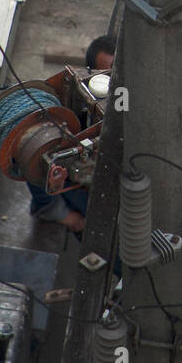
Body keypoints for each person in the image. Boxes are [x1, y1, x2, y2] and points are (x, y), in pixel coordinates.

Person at [27, 35, 114, 229]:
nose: (114, 79)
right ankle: (50, 210)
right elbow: (34, 156)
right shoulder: (69, 107)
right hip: (79, 182)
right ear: (92, 73)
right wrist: (63, 214)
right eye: (107, 73)